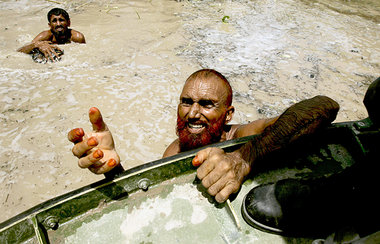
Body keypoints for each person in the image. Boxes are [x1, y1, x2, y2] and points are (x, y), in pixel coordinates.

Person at [67, 69, 339, 204]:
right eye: (186, 102)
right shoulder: (173, 151)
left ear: (228, 113)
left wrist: (245, 157)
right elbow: (146, 205)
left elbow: (323, 106)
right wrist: (112, 170)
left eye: (207, 104)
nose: (192, 113)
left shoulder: (241, 135)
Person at [17, 8, 85, 62]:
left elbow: (83, 55)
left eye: (61, 20)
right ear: (49, 25)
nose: (58, 24)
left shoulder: (77, 37)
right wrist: (36, 45)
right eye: (54, 21)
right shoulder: (45, 36)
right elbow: (19, 51)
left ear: (68, 23)